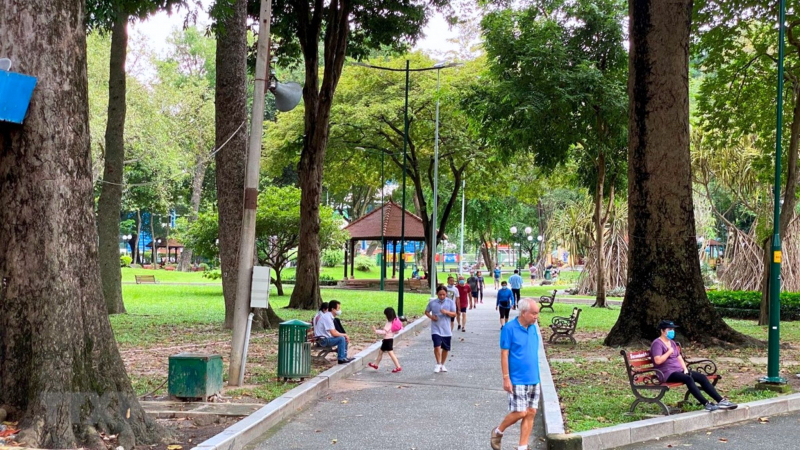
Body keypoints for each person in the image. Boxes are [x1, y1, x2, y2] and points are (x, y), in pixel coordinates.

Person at [651, 320, 737, 412]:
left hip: (679, 370)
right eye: (669, 329)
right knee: (688, 379)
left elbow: (679, 357)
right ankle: (706, 403)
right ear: (662, 331)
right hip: (667, 374)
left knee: (701, 377)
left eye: (673, 329)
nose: (672, 331)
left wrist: (685, 369)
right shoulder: (657, 343)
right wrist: (669, 352)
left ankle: (721, 401)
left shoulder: (671, 342)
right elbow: (657, 361)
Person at [491, 298, 541, 450]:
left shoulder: (533, 328)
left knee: (531, 412)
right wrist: (506, 378)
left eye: (537, 313)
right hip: (517, 378)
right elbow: (504, 354)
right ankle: (498, 431)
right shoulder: (509, 328)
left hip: (533, 377)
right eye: (533, 313)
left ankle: (522, 447)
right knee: (520, 412)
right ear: (523, 312)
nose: (536, 317)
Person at [425, 285, 457, 373]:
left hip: (446, 329)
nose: (442, 296)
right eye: (440, 294)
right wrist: (431, 317)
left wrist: (446, 312)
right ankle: (438, 363)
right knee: (437, 346)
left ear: (446, 294)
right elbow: (426, 312)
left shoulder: (450, 302)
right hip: (436, 328)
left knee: (445, 348)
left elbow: (454, 314)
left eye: (444, 294)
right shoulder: (432, 303)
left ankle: (442, 364)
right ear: (437, 294)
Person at [314, 300, 354, 364]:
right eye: (338, 308)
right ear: (333, 309)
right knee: (341, 339)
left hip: (326, 338)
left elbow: (334, 330)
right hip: (322, 341)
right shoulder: (327, 317)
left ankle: (344, 357)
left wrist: (344, 335)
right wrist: (344, 335)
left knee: (343, 337)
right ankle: (341, 358)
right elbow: (333, 333)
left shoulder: (329, 316)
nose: (339, 310)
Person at [368, 307, 403, 373]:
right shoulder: (394, 321)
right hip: (389, 339)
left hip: (387, 340)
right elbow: (396, 332)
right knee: (380, 352)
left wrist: (376, 331)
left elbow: (384, 332)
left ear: (388, 315)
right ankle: (376, 364)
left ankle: (398, 366)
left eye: (385, 315)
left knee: (391, 354)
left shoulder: (389, 323)